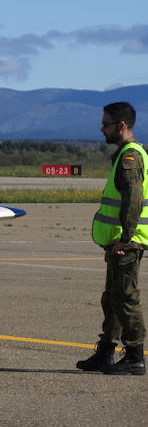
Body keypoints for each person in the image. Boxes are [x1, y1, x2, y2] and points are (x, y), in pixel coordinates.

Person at [76, 102, 146, 375]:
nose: (101, 129)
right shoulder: (124, 155)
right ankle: (106, 352)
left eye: (106, 124)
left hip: (127, 241)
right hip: (119, 240)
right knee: (113, 298)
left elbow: (133, 200)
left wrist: (126, 238)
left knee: (126, 298)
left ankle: (135, 357)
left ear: (121, 125)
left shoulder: (130, 158)